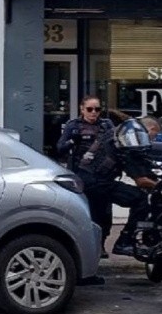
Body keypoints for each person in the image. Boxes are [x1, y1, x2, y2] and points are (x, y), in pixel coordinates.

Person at [77, 118, 154, 257]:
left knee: (101, 216)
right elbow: (141, 181)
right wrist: (160, 184)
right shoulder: (125, 142)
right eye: (152, 135)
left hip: (87, 180)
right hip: (98, 183)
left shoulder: (112, 134)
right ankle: (125, 241)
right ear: (149, 130)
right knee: (141, 199)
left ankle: (96, 251)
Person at [56, 96, 114, 257]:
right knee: (84, 212)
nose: (93, 113)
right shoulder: (73, 126)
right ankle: (85, 248)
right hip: (82, 176)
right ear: (82, 109)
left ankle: (100, 245)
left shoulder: (106, 125)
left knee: (104, 213)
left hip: (103, 175)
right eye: (90, 109)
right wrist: (72, 142)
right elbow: (60, 148)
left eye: (97, 109)